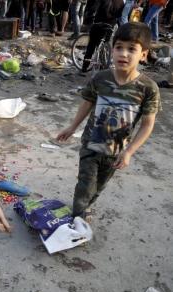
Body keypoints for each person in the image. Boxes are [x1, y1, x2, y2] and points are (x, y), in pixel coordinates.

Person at [57, 22, 161, 223]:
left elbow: (147, 124)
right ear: (112, 50)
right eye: (119, 47)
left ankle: (84, 207)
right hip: (91, 144)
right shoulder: (101, 78)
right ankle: (77, 218)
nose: (124, 53)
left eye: (132, 49)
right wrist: (72, 128)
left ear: (143, 54)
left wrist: (129, 151)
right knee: (85, 184)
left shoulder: (148, 88)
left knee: (98, 187)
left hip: (116, 151)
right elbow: (87, 104)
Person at [81, 0, 124, 72]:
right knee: (104, 44)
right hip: (110, 26)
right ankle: (103, 66)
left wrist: (89, 18)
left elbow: (93, 9)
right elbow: (119, 15)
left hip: (98, 24)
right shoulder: (121, 2)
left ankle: (85, 66)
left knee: (91, 45)